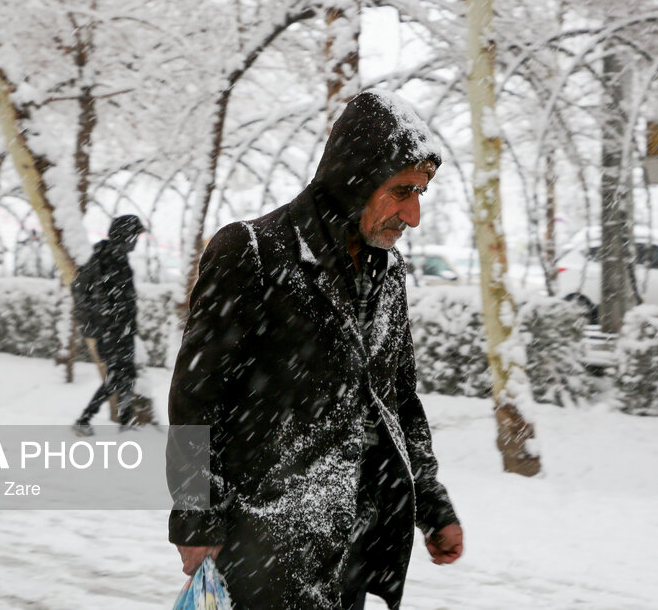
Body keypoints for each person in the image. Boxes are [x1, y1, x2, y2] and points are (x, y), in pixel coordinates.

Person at [168, 90, 463, 609]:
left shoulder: (386, 274)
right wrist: (195, 515)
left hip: (349, 549)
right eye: (401, 191)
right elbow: (195, 398)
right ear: (356, 180)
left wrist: (432, 505)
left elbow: (399, 400)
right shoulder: (252, 253)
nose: (413, 215)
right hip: (260, 548)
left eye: (420, 193)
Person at [72, 215, 145, 436]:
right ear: (125, 236)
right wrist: (107, 321)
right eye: (135, 236)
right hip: (113, 330)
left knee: (126, 375)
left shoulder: (114, 257)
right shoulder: (108, 259)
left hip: (121, 329)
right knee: (117, 376)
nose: (136, 241)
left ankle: (124, 420)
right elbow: (91, 292)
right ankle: (85, 418)